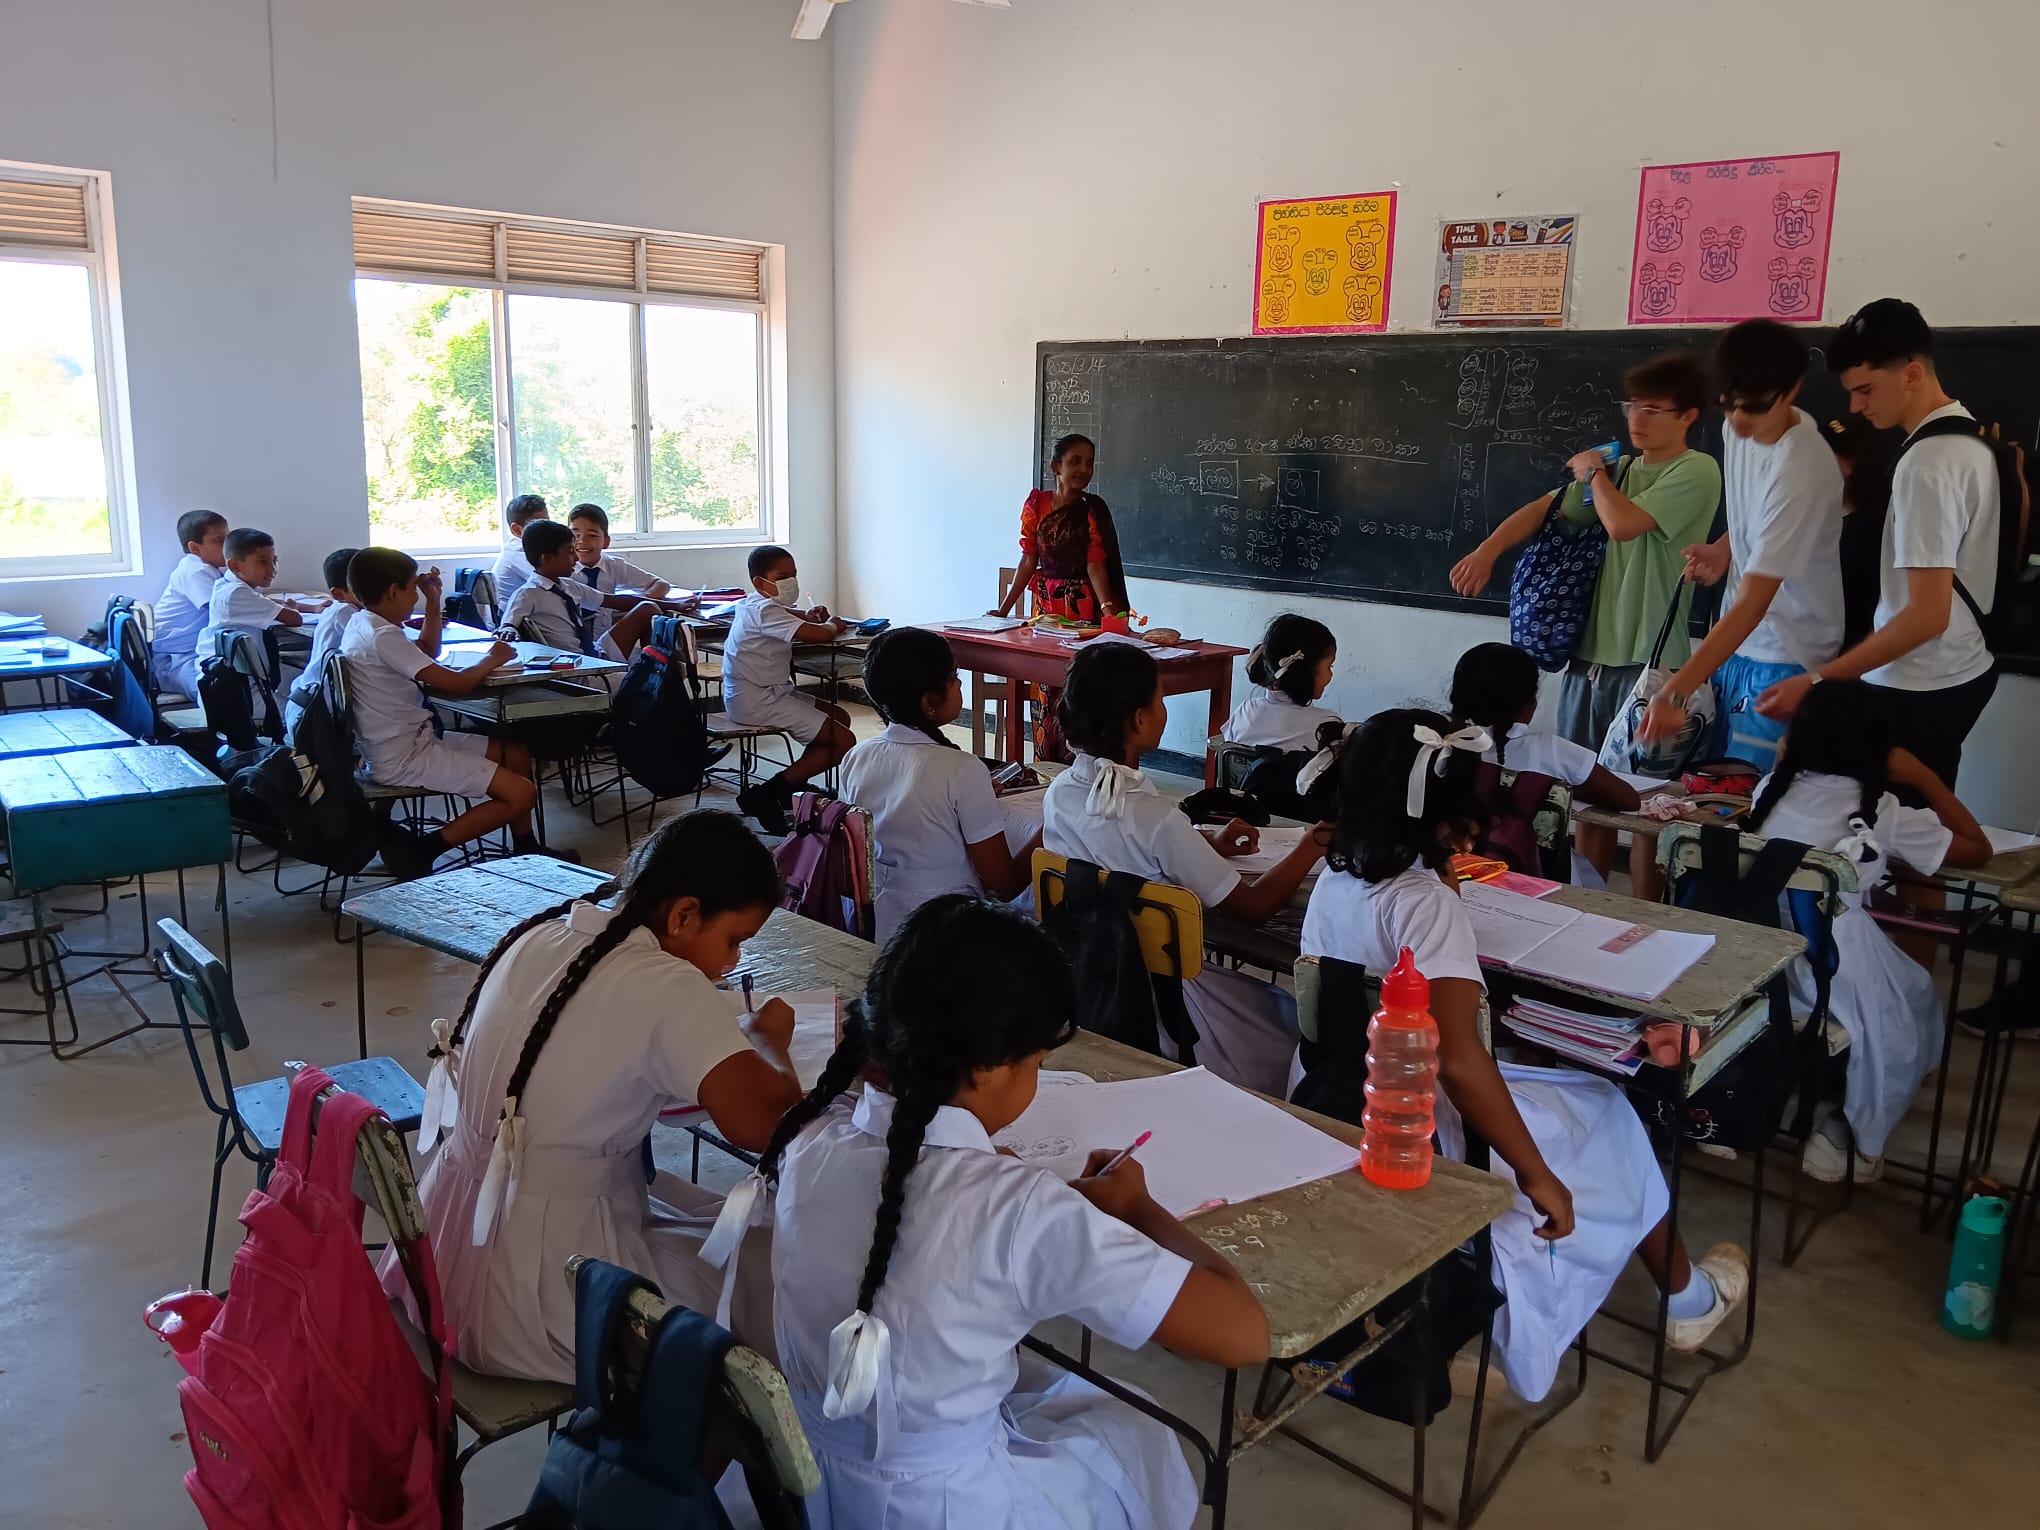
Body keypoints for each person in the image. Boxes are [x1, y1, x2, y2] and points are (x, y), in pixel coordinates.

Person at [698, 895, 1268, 1529]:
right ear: (989, 1067)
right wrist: (1136, 1206)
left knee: (1055, 1397)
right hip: (949, 1509)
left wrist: (983, 1164)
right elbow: (1244, 1334)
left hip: (801, 1485)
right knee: (1132, 1431)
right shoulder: (1022, 1209)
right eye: (1038, 1062)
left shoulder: (809, 1142)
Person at [1300, 709, 1748, 1401]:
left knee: (1572, 1102)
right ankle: (1687, 1299)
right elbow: (1456, 1059)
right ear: (1451, 812)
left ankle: (1492, 1303)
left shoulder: (1337, 879)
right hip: (1416, 1120)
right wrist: (1538, 1175)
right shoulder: (1423, 903)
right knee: (1608, 1111)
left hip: (1333, 1095)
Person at [386, 812, 804, 1382]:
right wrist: (768, 1040)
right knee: (778, 1270)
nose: (733, 962)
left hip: (441, 1259)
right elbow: (764, 1124)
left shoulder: (540, 934)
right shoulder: (667, 984)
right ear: (683, 915)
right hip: (544, 1295)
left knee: (703, 1213)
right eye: (733, 941)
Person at [1755, 300, 2015, 792]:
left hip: (1920, 681)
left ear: (1912, 374)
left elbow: (1926, 615)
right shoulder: (1969, 437)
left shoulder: (1928, 464)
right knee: (1916, 820)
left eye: (1866, 390)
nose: (1855, 407)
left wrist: (1818, 680)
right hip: (1959, 666)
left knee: (1882, 826)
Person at [1043, 642, 1323, 1095]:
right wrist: (1312, 845)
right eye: (1160, 700)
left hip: (1089, 978)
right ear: (1139, 720)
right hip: (1165, 1003)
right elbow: (1252, 909)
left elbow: (1119, 852)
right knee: (1287, 1021)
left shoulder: (1060, 791)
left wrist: (1205, 843)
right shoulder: (1155, 817)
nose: (1163, 710)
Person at [1739, 681, 1989, 1182]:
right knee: (1915, 1001)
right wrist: (1923, 775)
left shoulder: (1769, 790)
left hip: (1759, 968)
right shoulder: (1880, 811)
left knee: (1905, 994)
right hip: (1834, 971)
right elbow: (1976, 848)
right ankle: (1848, 1129)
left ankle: (1798, 1089)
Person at [1447, 354, 1721, 754]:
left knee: (1635, 781)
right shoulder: (1618, 469)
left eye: (1652, 409)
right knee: (1577, 776)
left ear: (1688, 415)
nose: (1637, 419)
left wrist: (1593, 474)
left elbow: (1623, 524)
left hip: (1650, 661)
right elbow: (1545, 508)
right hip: (1586, 658)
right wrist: (1486, 551)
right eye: (1632, 407)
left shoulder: (1696, 469)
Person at [1636, 322, 1844, 772]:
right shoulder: (1739, 429)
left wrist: (1676, 691)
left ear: (1792, 389)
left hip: (1786, 654)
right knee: (1707, 792)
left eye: (1754, 408)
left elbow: (1755, 602)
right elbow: (1759, 516)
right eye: (1728, 406)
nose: (1738, 421)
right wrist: (1725, 548)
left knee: (1751, 794)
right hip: (1737, 646)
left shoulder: (1802, 465)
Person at [340, 547, 543, 880]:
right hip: (404, 755)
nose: (414, 596)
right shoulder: (382, 635)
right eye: (412, 589)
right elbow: (456, 684)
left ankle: (525, 847)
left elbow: (426, 651)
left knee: (516, 754)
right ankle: (422, 851)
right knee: (523, 793)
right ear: (393, 592)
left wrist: (432, 601)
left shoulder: (364, 622)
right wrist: (492, 658)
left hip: (407, 740)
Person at [839, 627, 1040, 944]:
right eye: (953, 678)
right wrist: (1049, 830)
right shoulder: (961, 770)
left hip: (876, 925)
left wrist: (973, 795)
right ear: (928, 701)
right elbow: (1003, 886)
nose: (959, 684)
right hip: (946, 937)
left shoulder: (856, 756)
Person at [1448, 642, 1641, 887]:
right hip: (1541, 884)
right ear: (1529, 704)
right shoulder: (1552, 751)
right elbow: (1629, 799)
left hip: (1454, 876)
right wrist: (1551, 785)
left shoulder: (1438, 745)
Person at [991, 433, 1131, 761]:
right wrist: (1004, 610)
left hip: (1082, 607)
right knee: (1045, 685)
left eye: (1089, 463)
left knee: (1080, 683)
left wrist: (1109, 612)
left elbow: (1095, 564)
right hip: (1046, 610)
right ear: (1056, 466)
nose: (1084, 469)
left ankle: (1082, 762)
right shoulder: (1036, 505)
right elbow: (1029, 560)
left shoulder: (1092, 509)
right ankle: (1046, 762)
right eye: (1075, 461)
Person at [724, 544, 857, 835]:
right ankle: (767, 794)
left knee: (840, 717)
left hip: (764, 693)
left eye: (793, 574)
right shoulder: (763, 610)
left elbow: (787, 616)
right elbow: (818, 636)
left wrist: (807, 615)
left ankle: (793, 783)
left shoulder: (754, 603)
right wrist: (832, 624)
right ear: (760, 582)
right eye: (782, 576)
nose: (791, 582)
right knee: (844, 741)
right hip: (758, 699)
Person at [495, 519, 660, 662]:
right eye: (570, 551)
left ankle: (651, 670)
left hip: (595, 653)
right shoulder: (528, 594)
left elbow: (613, 601)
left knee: (648, 609)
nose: (576, 557)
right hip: (577, 667)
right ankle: (651, 678)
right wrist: (508, 630)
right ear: (546, 559)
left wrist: (672, 606)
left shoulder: (568, 586)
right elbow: (508, 624)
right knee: (640, 682)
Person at [566, 502, 690, 647]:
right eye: (575, 535)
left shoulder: (613, 566)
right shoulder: (564, 570)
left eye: (592, 535)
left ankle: (651, 660)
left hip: (603, 641)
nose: (582, 541)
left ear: (606, 542)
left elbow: (661, 584)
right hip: (571, 643)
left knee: (650, 611)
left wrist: (640, 601)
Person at [1823, 414, 1896, 651]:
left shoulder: (1870, 530)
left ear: (1852, 465)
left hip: (1849, 655)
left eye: (1826, 453)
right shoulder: (1814, 517)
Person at [1221, 613, 1342, 752]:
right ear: (1305, 671)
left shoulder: (1244, 712)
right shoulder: (1327, 726)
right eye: (1329, 667)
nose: (1331, 674)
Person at [195, 527, 309, 668]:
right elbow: (295, 619)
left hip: (229, 669)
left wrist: (312, 608)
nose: (272, 569)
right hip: (230, 674)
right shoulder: (237, 593)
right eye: (262, 562)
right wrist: (292, 608)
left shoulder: (227, 583)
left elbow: (262, 600)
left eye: (274, 561)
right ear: (235, 565)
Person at [281, 546, 362, 739]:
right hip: (318, 715)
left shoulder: (338, 609)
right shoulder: (346, 613)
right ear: (339, 594)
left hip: (310, 703)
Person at [151, 509, 228, 698]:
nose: (228, 546)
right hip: (175, 660)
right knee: (219, 693)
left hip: (187, 655)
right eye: (219, 540)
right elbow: (226, 609)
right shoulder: (196, 571)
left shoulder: (208, 569)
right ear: (195, 548)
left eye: (229, 538)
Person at [490, 493, 550, 612]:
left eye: (547, 523)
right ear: (517, 530)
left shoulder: (531, 545)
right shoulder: (517, 552)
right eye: (537, 525)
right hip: (511, 616)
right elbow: (550, 578)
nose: (547, 530)